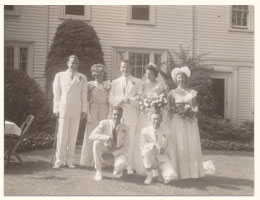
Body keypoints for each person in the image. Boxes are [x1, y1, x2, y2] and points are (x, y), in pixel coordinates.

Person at [168, 66, 205, 179]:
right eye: (179, 77)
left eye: (182, 77)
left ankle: (192, 172)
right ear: (176, 79)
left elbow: (195, 106)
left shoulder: (192, 92)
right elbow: (170, 108)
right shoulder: (172, 93)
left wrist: (190, 111)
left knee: (190, 144)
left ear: (186, 79)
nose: (181, 79)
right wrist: (179, 112)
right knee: (179, 144)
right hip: (178, 121)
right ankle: (179, 171)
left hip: (189, 121)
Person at [52, 55, 88, 169]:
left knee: (73, 136)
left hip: (76, 109)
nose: (74, 65)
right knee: (62, 135)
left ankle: (69, 160)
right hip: (64, 108)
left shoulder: (82, 77)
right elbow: (56, 94)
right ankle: (59, 160)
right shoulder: (59, 76)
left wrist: (84, 110)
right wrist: (56, 108)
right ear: (67, 63)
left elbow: (84, 95)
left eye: (76, 63)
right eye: (72, 63)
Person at [133, 63, 168, 176]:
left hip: (156, 115)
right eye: (147, 73)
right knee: (145, 138)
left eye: (151, 74)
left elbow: (164, 101)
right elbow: (140, 99)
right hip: (145, 114)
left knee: (156, 138)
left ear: (155, 74)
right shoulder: (143, 85)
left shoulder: (160, 85)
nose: (148, 76)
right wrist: (142, 102)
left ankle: (158, 167)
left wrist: (157, 105)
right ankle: (144, 166)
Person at [109, 60, 141, 174]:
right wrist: (119, 101)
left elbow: (140, 99)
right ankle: (118, 165)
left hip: (131, 116)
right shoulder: (115, 82)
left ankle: (129, 166)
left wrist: (130, 100)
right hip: (118, 116)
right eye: (122, 67)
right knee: (117, 142)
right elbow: (111, 98)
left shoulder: (137, 82)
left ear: (131, 68)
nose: (124, 69)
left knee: (130, 142)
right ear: (120, 68)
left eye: (127, 67)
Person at [80, 64, 111, 167]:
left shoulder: (107, 85)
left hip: (104, 110)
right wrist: (88, 114)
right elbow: (87, 101)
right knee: (92, 133)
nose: (99, 75)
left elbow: (109, 101)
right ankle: (89, 160)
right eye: (97, 73)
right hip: (93, 111)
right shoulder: (90, 85)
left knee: (103, 133)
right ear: (93, 74)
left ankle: (102, 160)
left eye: (101, 72)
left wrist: (109, 113)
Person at [89, 106, 130, 181]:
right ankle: (98, 171)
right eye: (115, 114)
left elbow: (125, 147)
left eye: (119, 115)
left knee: (122, 163)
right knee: (96, 143)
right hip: (106, 150)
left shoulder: (126, 128)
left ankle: (117, 170)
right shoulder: (104, 123)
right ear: (111, 115)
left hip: (116, 153)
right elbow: (91, 136)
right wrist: (107, 138)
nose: (116, 117)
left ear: (122, 115)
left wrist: (114, 154)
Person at [140, 110, 177, 184]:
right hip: (151, 158)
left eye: (158, 119)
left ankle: (162, 173)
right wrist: (152, 145)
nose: (156, 121)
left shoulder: (167, 131)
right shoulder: (144, 131)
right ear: (150, 119)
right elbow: (142, 146)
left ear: (161, 120)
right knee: (145, 152)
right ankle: (149, 175)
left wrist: (165, 151)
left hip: (162, 159)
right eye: (154, 119)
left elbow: (171, 148)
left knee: (172, 176)